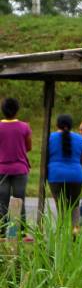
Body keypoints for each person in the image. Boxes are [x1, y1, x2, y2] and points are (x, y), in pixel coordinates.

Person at [47, 114, 82, 228]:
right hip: (75, 175)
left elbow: (45, 156)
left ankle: (62, 234)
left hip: (56, 175)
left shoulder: (50, 137)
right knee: (74, 206)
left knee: (61, 207)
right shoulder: (79, 138)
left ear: (57, 124)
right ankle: (74, 232)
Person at [0, 98, 32, 236]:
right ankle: (20, 232)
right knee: (19, 200)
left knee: (2, 202)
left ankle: (2, 232)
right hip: (20, 168)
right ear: (17, 110)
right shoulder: (25, 127)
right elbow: (28, 147)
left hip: (1, 168)